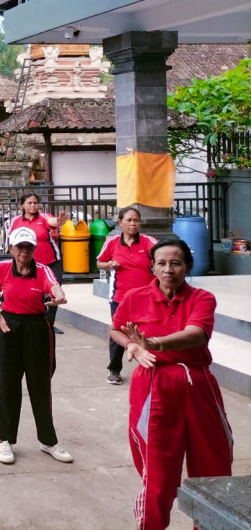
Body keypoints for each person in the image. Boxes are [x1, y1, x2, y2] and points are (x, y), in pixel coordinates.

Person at [110, 238, 233, 530]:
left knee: (213, 463)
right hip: (153, 386)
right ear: (152, 267)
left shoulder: (202, 298)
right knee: (157, 471)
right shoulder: (135, 297)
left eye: (176, 263)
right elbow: (116, 328)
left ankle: (211, 524)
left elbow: (197, 333)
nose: (168, 270)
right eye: (161, 263)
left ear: (188, 267)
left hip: (196, 383)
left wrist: (154, 343)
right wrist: (132, 345)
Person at [0, 226, 73, 466]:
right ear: (11, 248)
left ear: (35, 249)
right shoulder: (1, 268)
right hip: (9, 327)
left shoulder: (43, 270)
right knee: (8, 384)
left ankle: (48, 441)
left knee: (40, 385)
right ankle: (5, 440)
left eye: (29, 247)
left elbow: (54, 286)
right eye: (20, 247)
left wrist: (59, 295)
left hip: (36, 327)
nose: (24, 251)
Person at [96, 207, 156, 385]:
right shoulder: (112, 242)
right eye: (129, 220)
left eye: (136, 220)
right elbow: (99, 262)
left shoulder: (147, 241)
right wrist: (109, 265)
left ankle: (151, 368)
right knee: (118, 332)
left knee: (148, 332)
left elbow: (160, 255)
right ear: (120, 222)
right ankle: (114, 369)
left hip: (146, 297)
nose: (133, 224)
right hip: (119, 297)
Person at [8, 194, 68, 333]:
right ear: (22, 205)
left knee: (53, 290)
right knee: (32, 293)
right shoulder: (15, 221)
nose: (33, 205)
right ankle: (33, 322)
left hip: (51, 262)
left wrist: (59, 221)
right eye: (29, 203)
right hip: (29, 265)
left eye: (35, 203)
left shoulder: (44, 217)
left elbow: (53, 221)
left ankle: (49, 324)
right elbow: (11, 242)